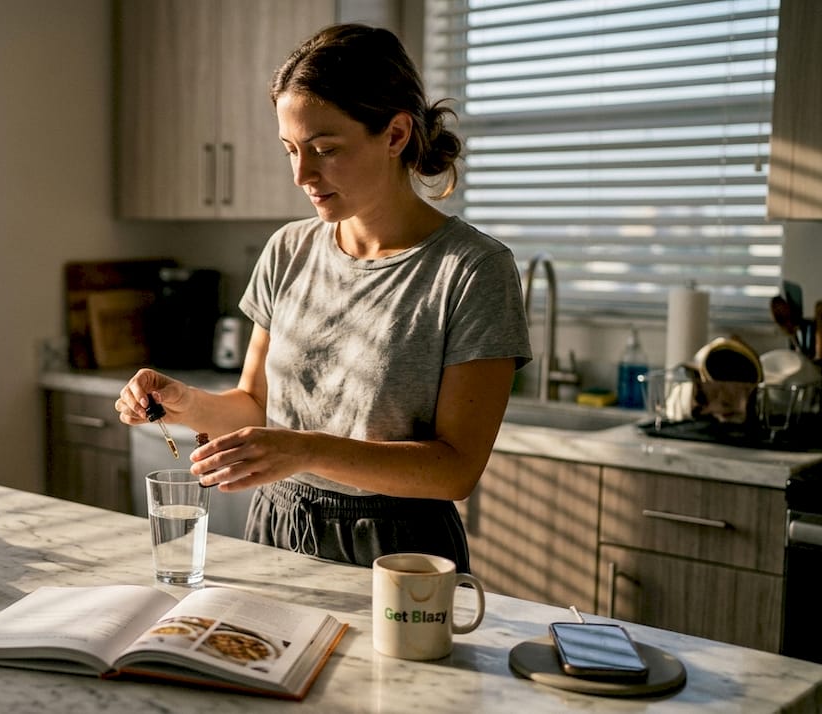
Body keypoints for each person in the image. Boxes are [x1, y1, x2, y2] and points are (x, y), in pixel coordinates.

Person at [114, 23, 532, 571]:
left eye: (325, 149)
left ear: (396, 135)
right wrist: (184, 402)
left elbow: (456, 469)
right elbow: (256, 406)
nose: (302, 174)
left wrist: (304, 449)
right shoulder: (288, 249)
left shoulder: (473, 270)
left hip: (400, 550)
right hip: (274, 525)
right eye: (290, 149)